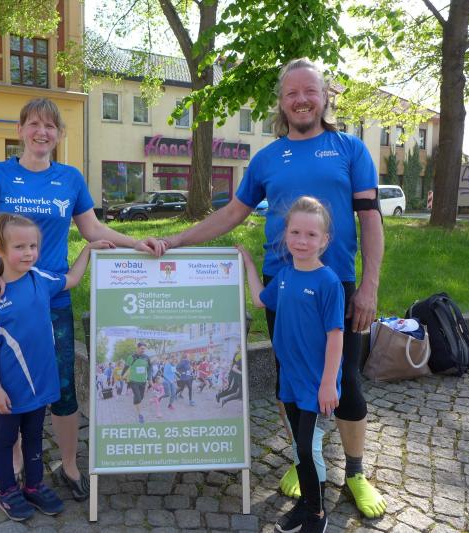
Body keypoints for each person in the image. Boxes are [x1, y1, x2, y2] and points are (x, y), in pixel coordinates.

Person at [158, 58, 386, 518]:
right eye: (291, 93)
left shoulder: (350, 149)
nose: (301, 100)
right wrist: (176, 240)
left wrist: (369, 286)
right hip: (282, 286)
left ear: (325, 97)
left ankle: (356, 472)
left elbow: (370, 219)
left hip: (336, 285)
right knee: (292, 380)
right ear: (281, 103)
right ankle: (307, 460)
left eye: (310, 91)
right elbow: (232, 213)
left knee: (346, 382)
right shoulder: (266, 158)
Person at [0, 97, 163, 501]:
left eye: (50, 126)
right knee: (12, 382)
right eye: (34, 124)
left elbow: (93, 230)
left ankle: (70, 465)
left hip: (52, 299)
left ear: (59, 135)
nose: (42, 132)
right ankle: (16, 462)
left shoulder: (70, 178)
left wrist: (135, 244)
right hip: (6, 299)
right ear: (20, 129)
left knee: (61, 387)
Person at [0, 213, 112, 521]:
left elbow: (72, 280)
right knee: (6, 438)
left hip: (41, 383)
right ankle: (7, 491)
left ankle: (34, 485)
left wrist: (88, 250)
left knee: (35, 434)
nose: (28, 253)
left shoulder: (41, 279)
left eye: (33, 246)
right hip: (11, 389)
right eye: (19, 247)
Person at [239, 197, 344, 533]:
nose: (302, 240)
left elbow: (336, 336)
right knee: (300, 447)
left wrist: (328, 383)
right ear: (286, 235)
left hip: (316, 383)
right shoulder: (285, 276)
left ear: (325, 239)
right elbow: (260, 299)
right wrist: (248, 263)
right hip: (291, 379)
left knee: (307, 447)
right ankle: (307, 503)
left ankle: (317, 513)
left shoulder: (328, 282)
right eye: (296, 232)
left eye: (311, 234)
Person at [121, 342, 153, 423]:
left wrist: (149, 379)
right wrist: (122, 375)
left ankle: (136, 400)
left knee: (141, 397)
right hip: (133, 381)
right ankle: (140, 414)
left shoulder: (146, 358)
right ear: (137, 348)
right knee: (138, 398)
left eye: (144, 349)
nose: (143, 350)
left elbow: (150, 368)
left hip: (143, 381)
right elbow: (126, 367)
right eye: (142, 348)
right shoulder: (131, 357)